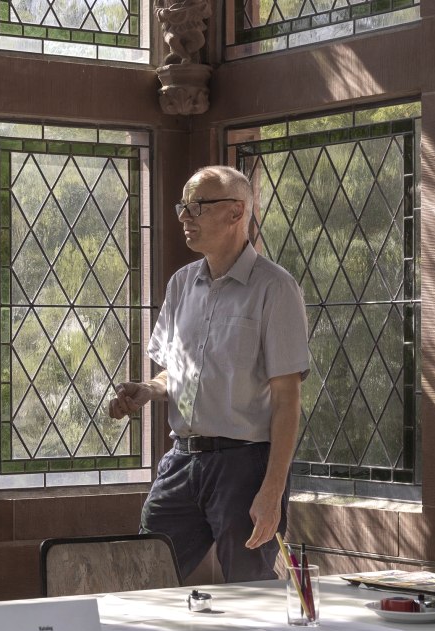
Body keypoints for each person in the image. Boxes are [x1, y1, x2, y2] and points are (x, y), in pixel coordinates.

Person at [106, 166, 310, 582]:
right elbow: (175, 371)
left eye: (197, 206)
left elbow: (288, 402)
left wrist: (271, 492)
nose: (184, 216)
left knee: (249, 590)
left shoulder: (275, 288)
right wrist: (148, 389)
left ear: (236, 213)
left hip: (244, 466)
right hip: (181, 461)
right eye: (183, 206)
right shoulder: (182, 284)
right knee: (141, 580)